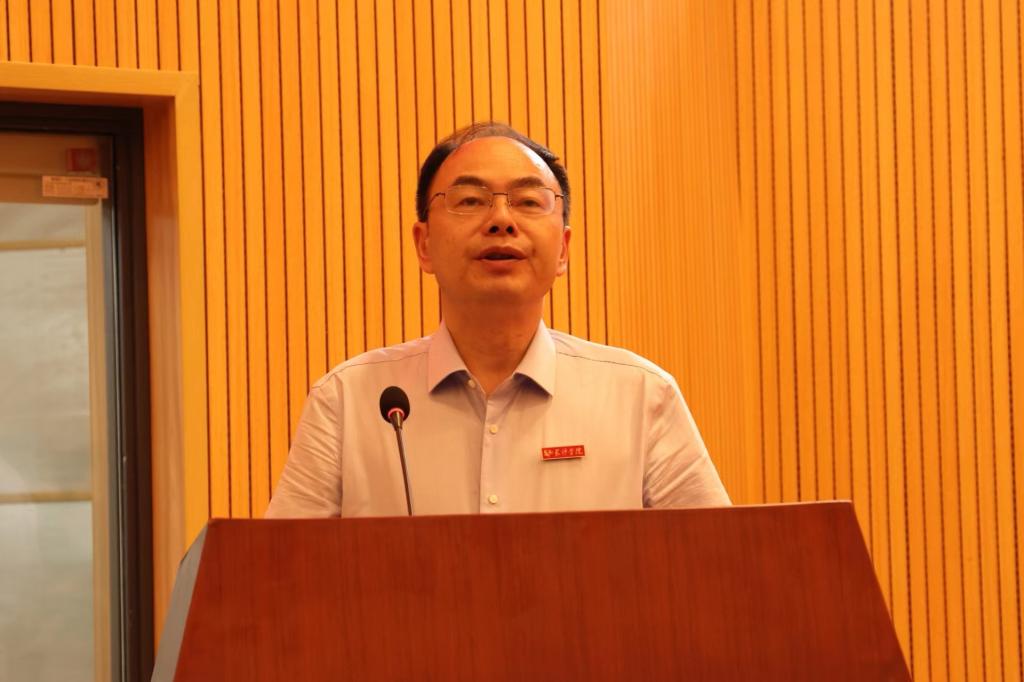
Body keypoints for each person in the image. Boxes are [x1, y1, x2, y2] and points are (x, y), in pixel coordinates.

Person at [265, 122, 730, 518]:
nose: (501, 220)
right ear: (424, 245)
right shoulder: (348, 402)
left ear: (563, 249)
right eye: (470, 201)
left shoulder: (641, 398)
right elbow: (281, 577)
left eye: (528, 202)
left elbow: (715, 570)